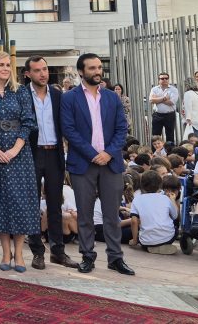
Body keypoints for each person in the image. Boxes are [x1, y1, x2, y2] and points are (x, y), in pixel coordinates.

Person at [61, 53, 134, 276]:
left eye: (99, 67)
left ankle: (115, 258)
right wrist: (93, 154)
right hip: (83, 163)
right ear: (81, 71)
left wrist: (108, 153)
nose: (97, 71)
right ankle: (87, 256)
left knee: (112, 213)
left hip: (111, 163)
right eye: (92, 68)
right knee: (85, 213)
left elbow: (122, 129)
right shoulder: (69, 98)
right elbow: (69, 130)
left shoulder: (112, 98)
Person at [0, 52, 39, 273]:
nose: (6, 68)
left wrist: (15, 149)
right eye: (1, 65)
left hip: (20, 155)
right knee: (0, 203)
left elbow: (28, 122)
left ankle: (19, 254)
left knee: (21, 203)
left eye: (8, 65)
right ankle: (6, 253)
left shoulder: (21, 91)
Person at [23, 56, 78, 270]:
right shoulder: (22, 95)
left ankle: (58, 251)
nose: (43, 73)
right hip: (32, 153)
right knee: (32, 204)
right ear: (28, 74)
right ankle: (37, 252)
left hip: (54, 153)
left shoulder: (57, 94)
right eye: (37, 70)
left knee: (55, 204)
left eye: (45, 69)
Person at [128, 170, 179, 254]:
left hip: (146, 241)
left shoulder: (137, 199)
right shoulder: (165, 198)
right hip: (168, 238)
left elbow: (134, 221)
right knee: (175, 229)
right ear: (160, 185)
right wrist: (173, 200)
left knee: (142, 235)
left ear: (142, 185)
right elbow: (175, 216)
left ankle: (151, 246)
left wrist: (134, 240)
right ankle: (161, 245)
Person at [149, 72, 178, 144]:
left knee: (170, 136)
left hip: (169, 115)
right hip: (157, 115)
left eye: (166, 78)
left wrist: (157, 99)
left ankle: (170, 150)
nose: (164, 80)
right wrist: (164, 98)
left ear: (168, 79)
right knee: (155, 136)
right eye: (162, 78)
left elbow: (172, 102)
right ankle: (155, 150)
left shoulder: (173, 89)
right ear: (159, 80)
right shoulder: (154, 89)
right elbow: (151, 100)